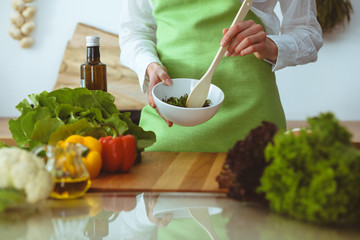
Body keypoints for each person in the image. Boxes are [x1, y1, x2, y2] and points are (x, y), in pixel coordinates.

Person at [119, 0, 323, 152]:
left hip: (252, 125)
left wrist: (271, 45)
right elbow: (134, 31)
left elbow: (308, 33)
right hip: (169, 124)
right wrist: (149, 65)